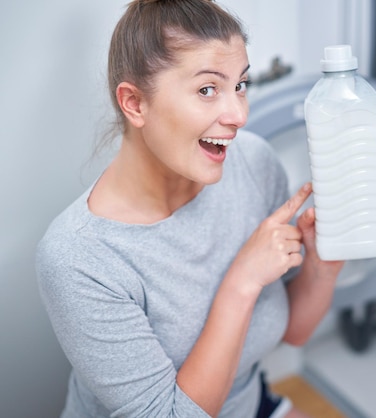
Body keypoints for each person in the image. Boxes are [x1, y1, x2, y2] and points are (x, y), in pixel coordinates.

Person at [35, 1, 351, 416]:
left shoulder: (253, 163)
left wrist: (323, 264)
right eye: (207, 90)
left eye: (241, 85)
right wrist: (243, 281)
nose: (238, 114)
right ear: (134, 104)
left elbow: (291, 331)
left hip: (247, 402)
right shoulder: (79, 258)